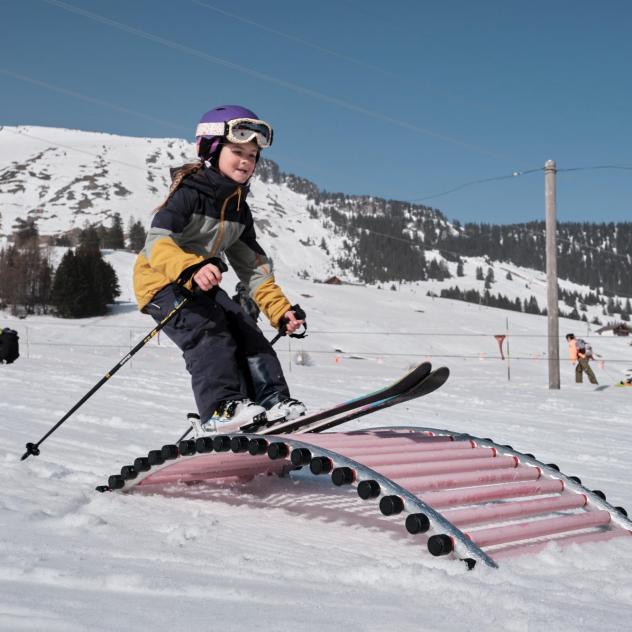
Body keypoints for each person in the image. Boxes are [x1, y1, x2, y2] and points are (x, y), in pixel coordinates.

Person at [133, 105, 306, 434]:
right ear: (212, 149)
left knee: (247, 331)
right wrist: (190, 268)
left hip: (202, 283)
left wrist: (280, 310)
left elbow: (254, 270)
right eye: (237, 151)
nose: (246, 161)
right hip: (161, 281)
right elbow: (156, 243)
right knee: (209, 333)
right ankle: (222, 408)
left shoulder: (239, 210)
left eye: (253, 155)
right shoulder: (190, 194)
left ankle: (273, 401)